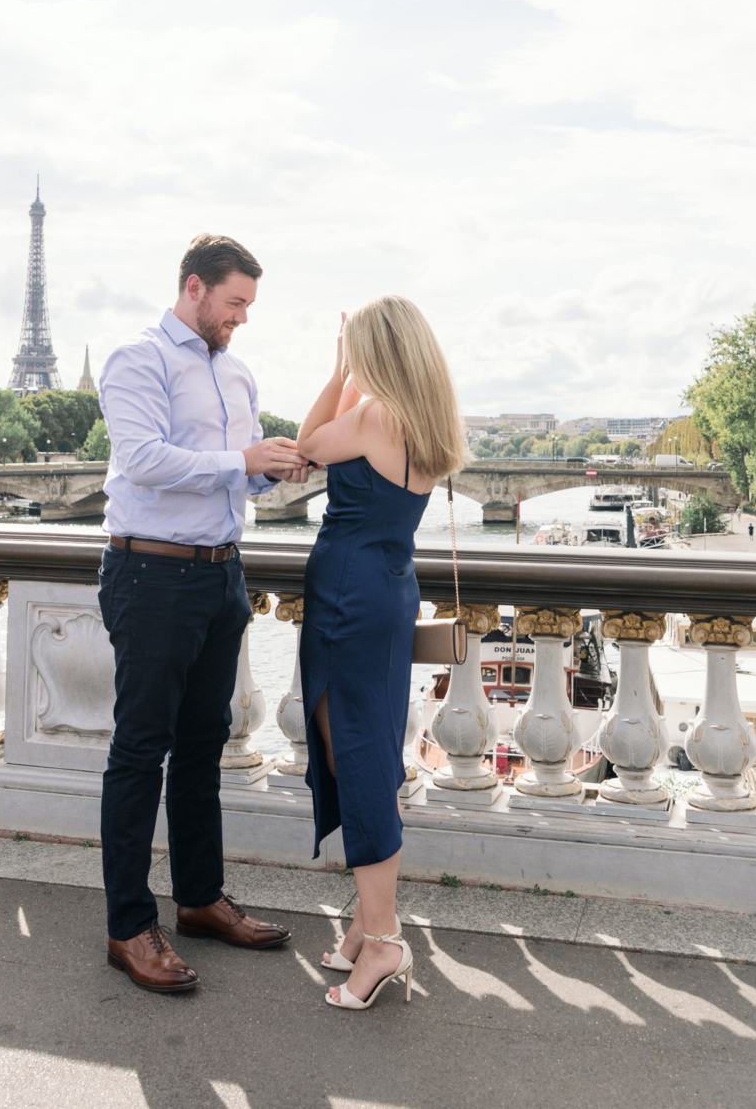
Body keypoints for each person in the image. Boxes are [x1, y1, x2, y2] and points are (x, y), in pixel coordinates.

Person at [96, 233, 311, 994]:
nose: (242, 318)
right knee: (140, 750)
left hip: (220, 575)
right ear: (194, 288)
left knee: (201, 746)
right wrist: (242, 461)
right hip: (150, 573)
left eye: (248, 305)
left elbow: (233, 482)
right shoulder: (137, 359)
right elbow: (143, 458)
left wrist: (274, 467)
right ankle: (128, 927)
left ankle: (197, 899)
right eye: (234, 303)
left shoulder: (239, 374)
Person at [296, 296, 466, 1011]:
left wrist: (337, 370)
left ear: (377, 352)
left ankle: (387, 938)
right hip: (388, 591)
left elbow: (304, 446)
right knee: (359, 750)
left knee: (357, 757)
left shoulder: (371, 416)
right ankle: (368, 930)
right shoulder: (424, 422)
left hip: (345, 597)